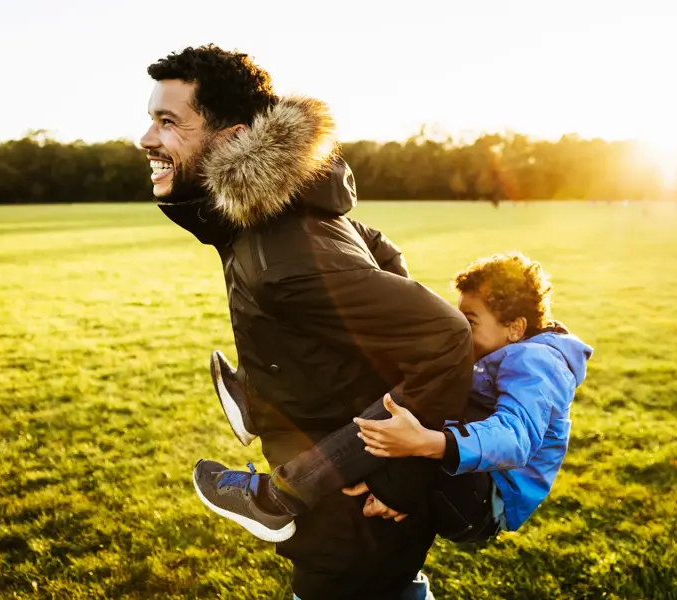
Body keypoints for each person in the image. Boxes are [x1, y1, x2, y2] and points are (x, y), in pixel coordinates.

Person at [141, 44, 475, 600]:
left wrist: (401, 476)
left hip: (350, 513)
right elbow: (376, 247)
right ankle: (260, 403)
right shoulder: (276, 212)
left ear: (231, 137)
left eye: (168, 122)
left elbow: (447, 339)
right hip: (344, 501)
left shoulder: (283, 257)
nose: (146, 139)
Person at [194, 252, 593, 546]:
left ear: (515, 328)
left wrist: (426, 447)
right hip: (463, 480)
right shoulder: (506, 352)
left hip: (484, 504)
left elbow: (517, 437)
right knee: (414, 364)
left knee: (423, 390)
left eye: (469, 323)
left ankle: (275, 499)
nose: (460, 331)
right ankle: (262, 406)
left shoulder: (540, 363)